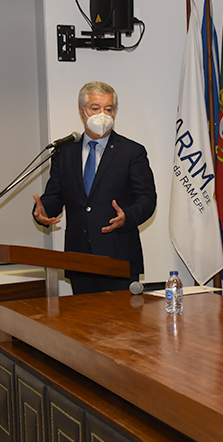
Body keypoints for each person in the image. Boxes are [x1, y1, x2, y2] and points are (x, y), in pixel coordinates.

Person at [33, 81, 157, 294]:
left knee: (121, 317)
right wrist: (43, 210)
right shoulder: (65, 152)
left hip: (118, 259)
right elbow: (55, 196)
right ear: (82, 111)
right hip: (79, 260)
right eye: (95, 108)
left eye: (108, 109)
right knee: (82, 316)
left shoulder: (131, 152)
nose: (103, 115)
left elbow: (147, 199)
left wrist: (127, 216)